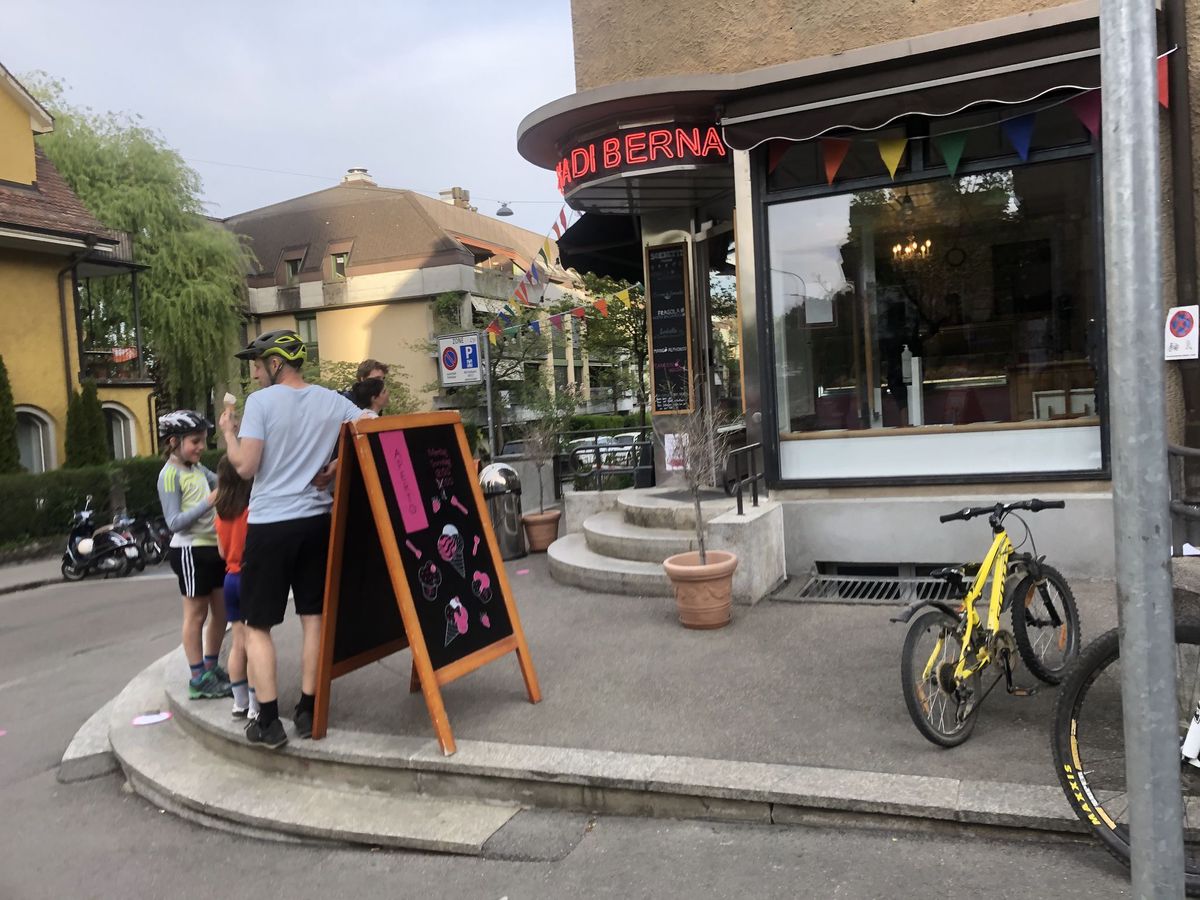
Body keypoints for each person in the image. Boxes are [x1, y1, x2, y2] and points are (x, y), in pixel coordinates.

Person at [220, 329, 370, 749]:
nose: (253, 372)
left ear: (275, 363)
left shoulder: (261, 403)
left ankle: (267, 721)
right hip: (316, 521)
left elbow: (246, 468)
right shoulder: (331, 401)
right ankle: (309, 708)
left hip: (270, 526)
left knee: (257, 625)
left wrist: (229, 434)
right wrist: (337, 466)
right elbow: (374, 424)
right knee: (313, 618)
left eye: (256, 363)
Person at [157, 410, 231, 701]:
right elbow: (174, 522)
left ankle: (211, 668)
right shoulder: (169, 475)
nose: (201, 447)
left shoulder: (198, 470)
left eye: (203, 441)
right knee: (196, 614)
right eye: (195, 441)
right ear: (174, 442)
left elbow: (224, 480)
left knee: (222, 613)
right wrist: (208, 501)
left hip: (214, 547)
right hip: (189, 551)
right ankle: (198, 678)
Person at [213, 455, 258, 720]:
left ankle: (239, 701)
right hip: (249, 578)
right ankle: (255, 704)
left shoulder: (220, 515)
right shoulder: (250, 512)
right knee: (255, 642)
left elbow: (221, 551)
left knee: (238, 642)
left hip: (229, 578)